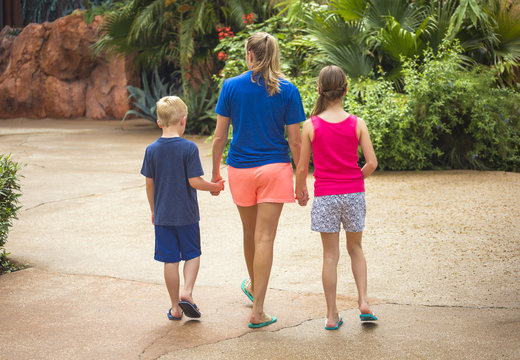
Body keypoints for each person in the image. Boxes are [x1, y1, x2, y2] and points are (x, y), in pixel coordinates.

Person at [212, 32, 307, 328]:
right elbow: (295, 143)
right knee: (265, 238)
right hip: (275, 170)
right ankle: (258, 310)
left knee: (249, 233)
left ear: (250, 55)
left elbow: (219, 137)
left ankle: (255, 288)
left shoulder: (230, 87)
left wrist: (215, 172)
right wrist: (301, 181)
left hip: (240, 169)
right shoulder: (288, 90)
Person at [295, 65, 379, 330]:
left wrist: (300, 190)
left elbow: (301, 166)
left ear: (319, 89)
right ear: (346, 89)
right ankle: (363, 301)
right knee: (356, 249)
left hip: (326, 196)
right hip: (353, 194)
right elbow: (372, 163)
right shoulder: (358, 123)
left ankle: (332, 316)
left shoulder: (311, 125)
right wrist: (355, 178)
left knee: (330, 256)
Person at [141, 96, 225, 321]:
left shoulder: (151, 150)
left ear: (159, 122)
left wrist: (153, 209)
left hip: (163, 215)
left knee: (170, 260)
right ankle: (187, 291)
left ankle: (175, 308)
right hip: (187, 214)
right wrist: (214, 186)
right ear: (183, 121)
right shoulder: (189, 148)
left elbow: (149, 183)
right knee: (192, 254)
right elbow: (194, 181)